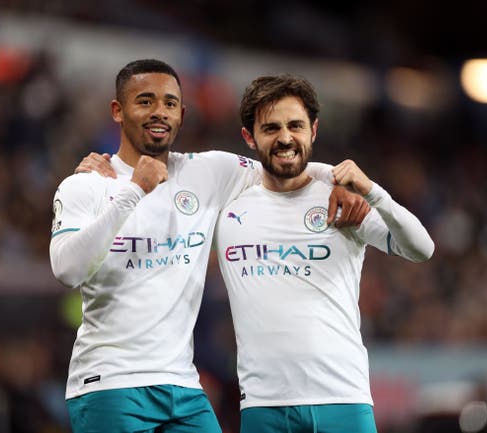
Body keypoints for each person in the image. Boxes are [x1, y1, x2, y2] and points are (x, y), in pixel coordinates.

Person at [49, 59, 369, 433]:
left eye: (169, 103)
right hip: (109, 384)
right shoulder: (86, 186)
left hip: (183, 385)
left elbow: (281, 162)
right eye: (145, 101)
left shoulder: (209, 172)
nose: (159, 112)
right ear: (118, 111)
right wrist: (134, 191)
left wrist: (337, 181)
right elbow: (67, 270)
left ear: (182, 114)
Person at [213, 74, 435, 433]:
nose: (285, 137)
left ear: (313, 130)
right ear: (249, 137)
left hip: (343, 400)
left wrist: (373, 192)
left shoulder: (343, 202)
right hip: (264, 406)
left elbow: (422, 249)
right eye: (271, 128)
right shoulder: (226, 204)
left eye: (295, 125)